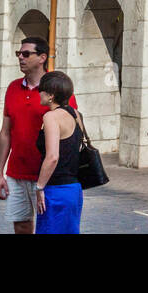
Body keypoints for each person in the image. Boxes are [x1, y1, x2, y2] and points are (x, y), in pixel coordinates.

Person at [0, 36, 78, 234]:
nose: (20, 58)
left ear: (42, 58)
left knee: (49, 228)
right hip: (17, 173)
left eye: (26, 54)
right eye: (18, 54)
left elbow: (70, 133)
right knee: (21, 226)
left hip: (47, 176)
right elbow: (6, 133)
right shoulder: (13, 88)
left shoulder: (59, 90)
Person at [34, 70, 84, 234]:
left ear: (51, 95)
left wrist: (39, 187)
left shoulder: (51, 117)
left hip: (55, 191)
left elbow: (53, 157)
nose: (38, 93)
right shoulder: (76, 114)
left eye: (40, 90)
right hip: (74, 190)